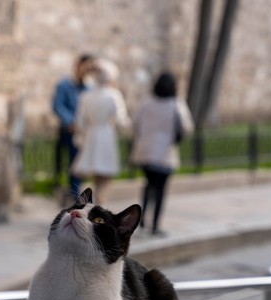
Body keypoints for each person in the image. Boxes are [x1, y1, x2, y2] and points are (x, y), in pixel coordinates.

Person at [130, 71, 194, 236]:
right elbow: (187, 127)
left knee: (148, 185)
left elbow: (135, 124)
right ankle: (155, 225)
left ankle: (142, 220)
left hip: (146, 151)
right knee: (160, 190)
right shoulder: (176, 104)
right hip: (165, 152)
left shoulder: (146, 103)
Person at [71, 59, 130, 205]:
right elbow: (122, 121)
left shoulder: (86, 96)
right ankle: (99, 208)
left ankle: (91, 207)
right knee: (103, 181)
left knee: (93, 177)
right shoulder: (113, 95)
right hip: (106, 137)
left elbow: (80, 122)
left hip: (92, 136)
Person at [53, 54, 95, 201]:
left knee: (81, 164)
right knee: (74, 163)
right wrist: (71, 121)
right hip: (70, 130)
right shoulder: (65, 85)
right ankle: (76, 195)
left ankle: (77, 193)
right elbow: (58, 105)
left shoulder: (91, 87)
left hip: (85, 131)